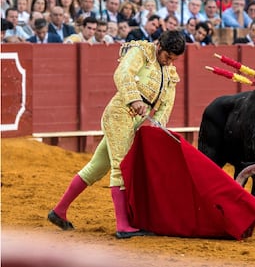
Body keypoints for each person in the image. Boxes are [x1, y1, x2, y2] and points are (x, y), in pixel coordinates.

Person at [48, 30, 186, 239]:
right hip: (120, 113)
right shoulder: (140, 52)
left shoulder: (169, 72)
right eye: (167, 57)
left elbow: (166, 104)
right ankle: (123, 225)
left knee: (96, 167)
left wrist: (154, 127)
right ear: (159, 46)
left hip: (137, 121)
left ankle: (59, 211)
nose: (169, 63)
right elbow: (122, 74)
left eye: (173, 59)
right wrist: (134, 99)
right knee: (121, 167)